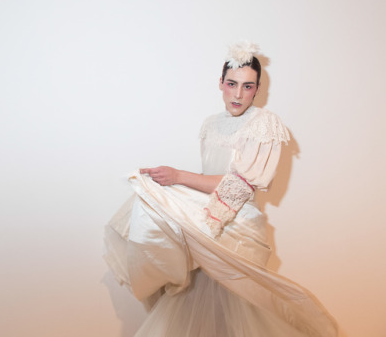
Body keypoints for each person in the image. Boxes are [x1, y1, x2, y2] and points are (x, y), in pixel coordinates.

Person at [103, 41, 337, 336]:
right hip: (205, 222)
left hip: (238, 226)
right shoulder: (210, 124)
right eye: (232, 84)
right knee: (198, 304)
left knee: (240, 307)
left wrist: (178, 176)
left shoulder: (265, 123)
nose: (238, 94)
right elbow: (208, 177)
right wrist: (171, 188)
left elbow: (240, 185)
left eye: (248, 86)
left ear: (258, 88)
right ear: (220, 84)